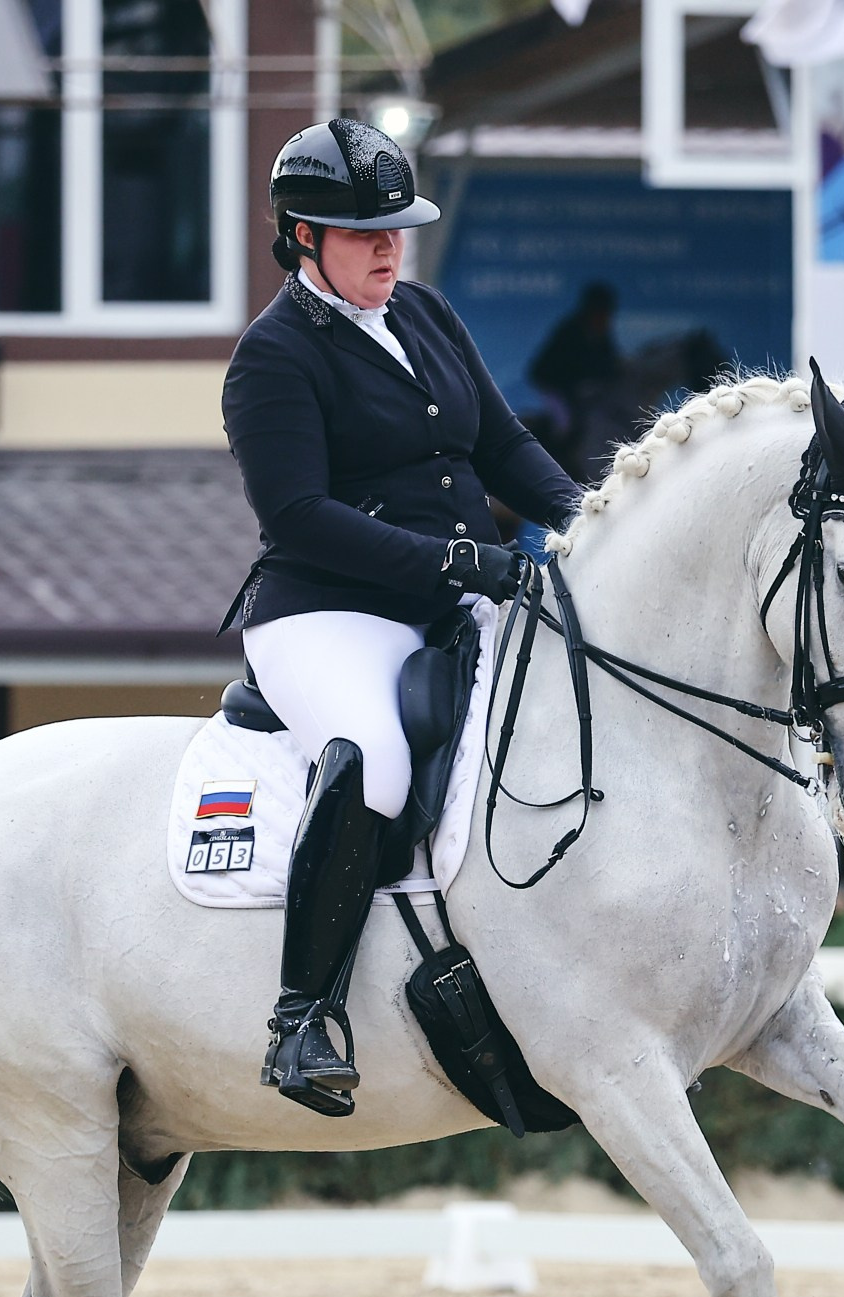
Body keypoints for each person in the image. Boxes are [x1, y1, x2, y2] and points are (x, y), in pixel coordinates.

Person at [222, 119, 585, 1116]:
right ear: (302, 236)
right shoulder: (271, 357)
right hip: (328, 613)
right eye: (363, 233)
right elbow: (297, 514)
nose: (389, 248)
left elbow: (503, 445)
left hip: (456, 597)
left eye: (397, 229)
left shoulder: (422, 312)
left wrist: (593, 519)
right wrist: (451, 561)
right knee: (376, 760)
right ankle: (302, 1020)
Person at [526, 281, 622, 460]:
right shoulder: (570, 331)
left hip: (578, 390)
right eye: (601, 313)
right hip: (553, 385)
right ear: (591, 311)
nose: (605, 318)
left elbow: (608, 364)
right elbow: (561, 369)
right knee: (565, 424)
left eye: (606, 313)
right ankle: (558, 462)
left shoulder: (602, 333)